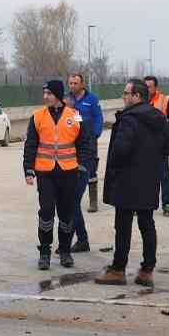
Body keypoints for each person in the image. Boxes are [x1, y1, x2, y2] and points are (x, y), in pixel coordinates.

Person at [95, 79, 167, 287]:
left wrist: (116, 170)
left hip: (127, 181)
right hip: (149, 179)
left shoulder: (129, 119)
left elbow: (120, 150)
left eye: (126, 93)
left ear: (137, 96)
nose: (124, 96)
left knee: (123, 226)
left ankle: (118, 270)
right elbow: (167, 148)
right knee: (147, 224)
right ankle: (147, 270)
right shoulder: (159, 118)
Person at [23, 80, 94, 271]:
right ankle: (44, 253)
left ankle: (65, 252)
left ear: (58, 95)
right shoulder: (37, 117)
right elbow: (30, 145)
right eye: (44, 93)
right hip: (45, 172)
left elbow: (84, 143)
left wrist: (82, 165)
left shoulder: (75, 116)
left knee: (66, 214)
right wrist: (28, 170)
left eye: (49, 93)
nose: (45, 96)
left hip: (69, 172)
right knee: (46, 211)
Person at [67, 72, 104, 254]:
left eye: (75, 83)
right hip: (72, 153)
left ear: (82, 84)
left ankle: (93, 201)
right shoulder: (69, 101)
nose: (72, 86)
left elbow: (98, 119)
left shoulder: (91, 99)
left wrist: (94, 135)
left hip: (87, 148)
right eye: (70, 83)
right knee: (71, 203)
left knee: (89, 179)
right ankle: (77, 240)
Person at [144, 75, 169, 216]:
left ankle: (166, 205)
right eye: (145, 86)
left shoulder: (165, 101)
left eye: (149, 86)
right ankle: (143, 204)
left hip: (160, 146)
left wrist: (163, 134)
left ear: (156, 87)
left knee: (164, 176)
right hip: (142, 147)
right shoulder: (139, 101)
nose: (147, 89)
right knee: (143, 176)